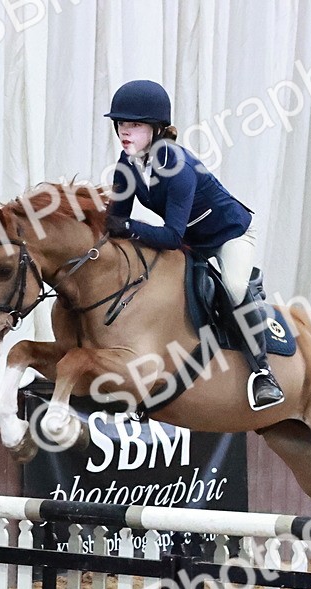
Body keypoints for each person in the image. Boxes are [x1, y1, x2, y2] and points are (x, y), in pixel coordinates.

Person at [102, 79, 285, 412]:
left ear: (157, 129)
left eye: (135, 125)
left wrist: (128, 227)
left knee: (232, 287)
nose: (125, 131)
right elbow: (115, 221)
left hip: (229, 234)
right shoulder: (127, 164)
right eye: (121, 124)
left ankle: (263, 373)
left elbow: (170, 235)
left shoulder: (177, 166)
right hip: (192, 240)